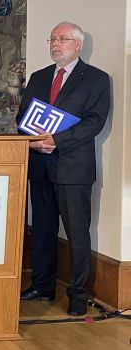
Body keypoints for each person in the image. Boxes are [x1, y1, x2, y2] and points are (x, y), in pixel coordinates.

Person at [16, 22, 110, 316]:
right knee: (43, 230)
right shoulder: (39, 77)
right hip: (40, 166)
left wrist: (56, 140)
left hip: (73, 169)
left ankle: (78, 295)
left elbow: (94, 122)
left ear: (78, 45)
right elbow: (22, 118)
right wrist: (33, 142)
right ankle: (43, 287)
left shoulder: (95, 79)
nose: (56, 44)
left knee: (77, 233)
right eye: (53, 39)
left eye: (63, 39)